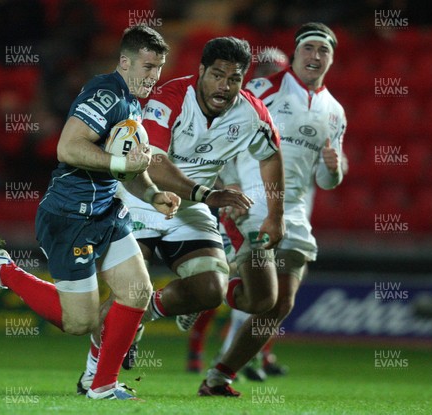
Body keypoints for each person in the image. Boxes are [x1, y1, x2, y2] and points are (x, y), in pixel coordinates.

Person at [0, 25, 180, 401]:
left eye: (159, 67)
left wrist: (152, 192)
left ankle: (101, 385)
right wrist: (118, 160)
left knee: (137, 291)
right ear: (125, 61)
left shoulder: (132, 102)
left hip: (106, 212)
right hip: (70, 216)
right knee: (79, 322)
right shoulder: (105, 93)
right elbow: (68, 147)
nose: (154, 76)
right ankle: (4, 271)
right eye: (148, 66)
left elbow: (125, 167)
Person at [77, 36, 285, 393]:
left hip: (190, 207)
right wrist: (208, 194)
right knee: (127, 291)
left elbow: (271, 155)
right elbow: (153, 164)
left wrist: (275, 216)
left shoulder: (250, 112)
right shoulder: (170, 98)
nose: (225, 86)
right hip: (140, 196)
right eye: (217, 75)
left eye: (234, 79)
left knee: (210, 290)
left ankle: (147, 313)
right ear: (201, 70)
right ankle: (93, 374)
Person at [198, 22, 347, 397]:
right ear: (295, 54)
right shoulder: (264, 89)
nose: (316, 56)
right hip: (250, 203)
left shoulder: (335, 112)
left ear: (331, 58)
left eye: (323, 50)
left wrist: (333, 168)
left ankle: (220, 374)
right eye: (309, 48)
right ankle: (209, 294)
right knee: (262, 297)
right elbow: (223, 135)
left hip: (294, 214)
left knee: (280, 304)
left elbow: (326, 182)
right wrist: (225, 184)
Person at [186, 47, 290, 375]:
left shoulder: (276, 110)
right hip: (234, 207)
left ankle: (255, 356)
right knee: (254, 287)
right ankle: (207, 354)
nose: (268, 75)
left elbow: (280, 159)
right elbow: (207, 154)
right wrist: (222, 189)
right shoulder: (234, 105)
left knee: (269, 293)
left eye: (275, 69)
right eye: (266, 68)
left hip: (264, 209)